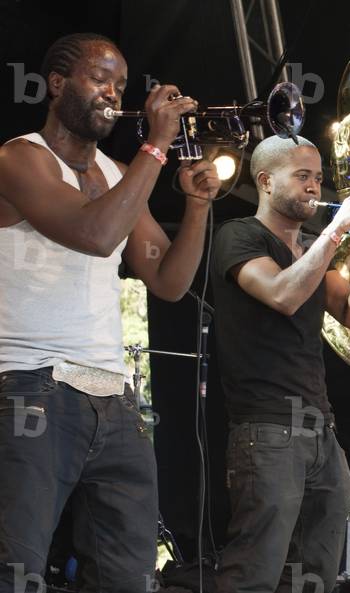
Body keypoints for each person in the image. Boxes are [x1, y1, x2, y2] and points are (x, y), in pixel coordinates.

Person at [0, 33, 218, 592]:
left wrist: (195, 207)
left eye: (120, 84)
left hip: (112, 398)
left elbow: (169, 281)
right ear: (55, 85)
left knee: (128, 575)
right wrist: (157, 148)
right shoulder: (19, 158)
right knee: (18, 571)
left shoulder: (119, 174)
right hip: (31, 386)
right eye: (100, 79)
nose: (112, 93)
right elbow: (95, 235)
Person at [211, 134, 350, 592]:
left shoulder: (309, 248)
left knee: (315, 572)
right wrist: (337, 231)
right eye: (303, 176)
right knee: (256, 568)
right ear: (266, 181)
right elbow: (283, 295)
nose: (315, 187)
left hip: (319, 428)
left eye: (319, 178)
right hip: (266, 427)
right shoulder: (239, 235)